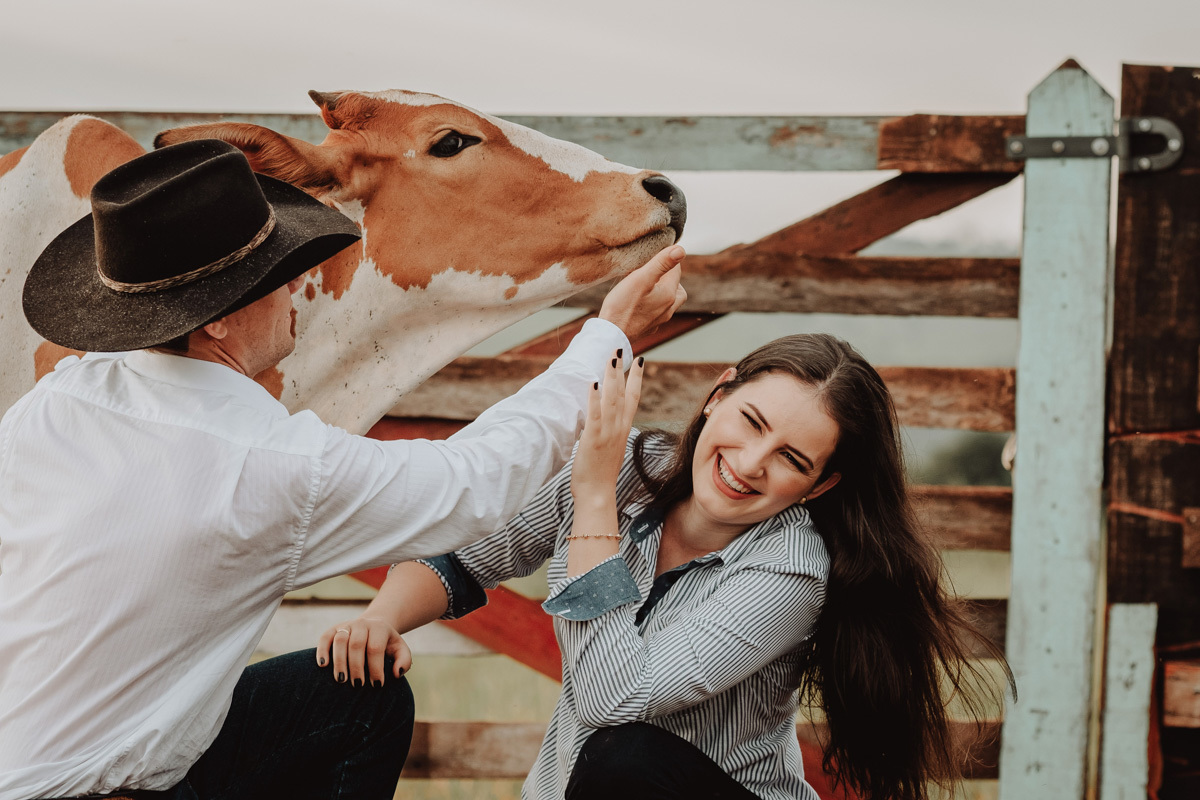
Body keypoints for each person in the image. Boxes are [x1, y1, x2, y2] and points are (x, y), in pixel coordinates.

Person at [0, 139, 686, 800]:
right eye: (275, 272)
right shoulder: (269, 466)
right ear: (215, 323)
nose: (301, 282)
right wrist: (610, 333)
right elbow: (473, 485)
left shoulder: (58, 401)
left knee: (350, 696)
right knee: (357, 705)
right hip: (87, 789)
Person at [319, 333, 1013, 800]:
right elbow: (465, 558)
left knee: (625, 756)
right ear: (718, 393)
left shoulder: (791, 571)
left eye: (792, 460)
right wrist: (380, 619)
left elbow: (608, 700)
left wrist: (591, 501)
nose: (749, 463)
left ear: (820, 486)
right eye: (750, 421)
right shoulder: (626, 467)